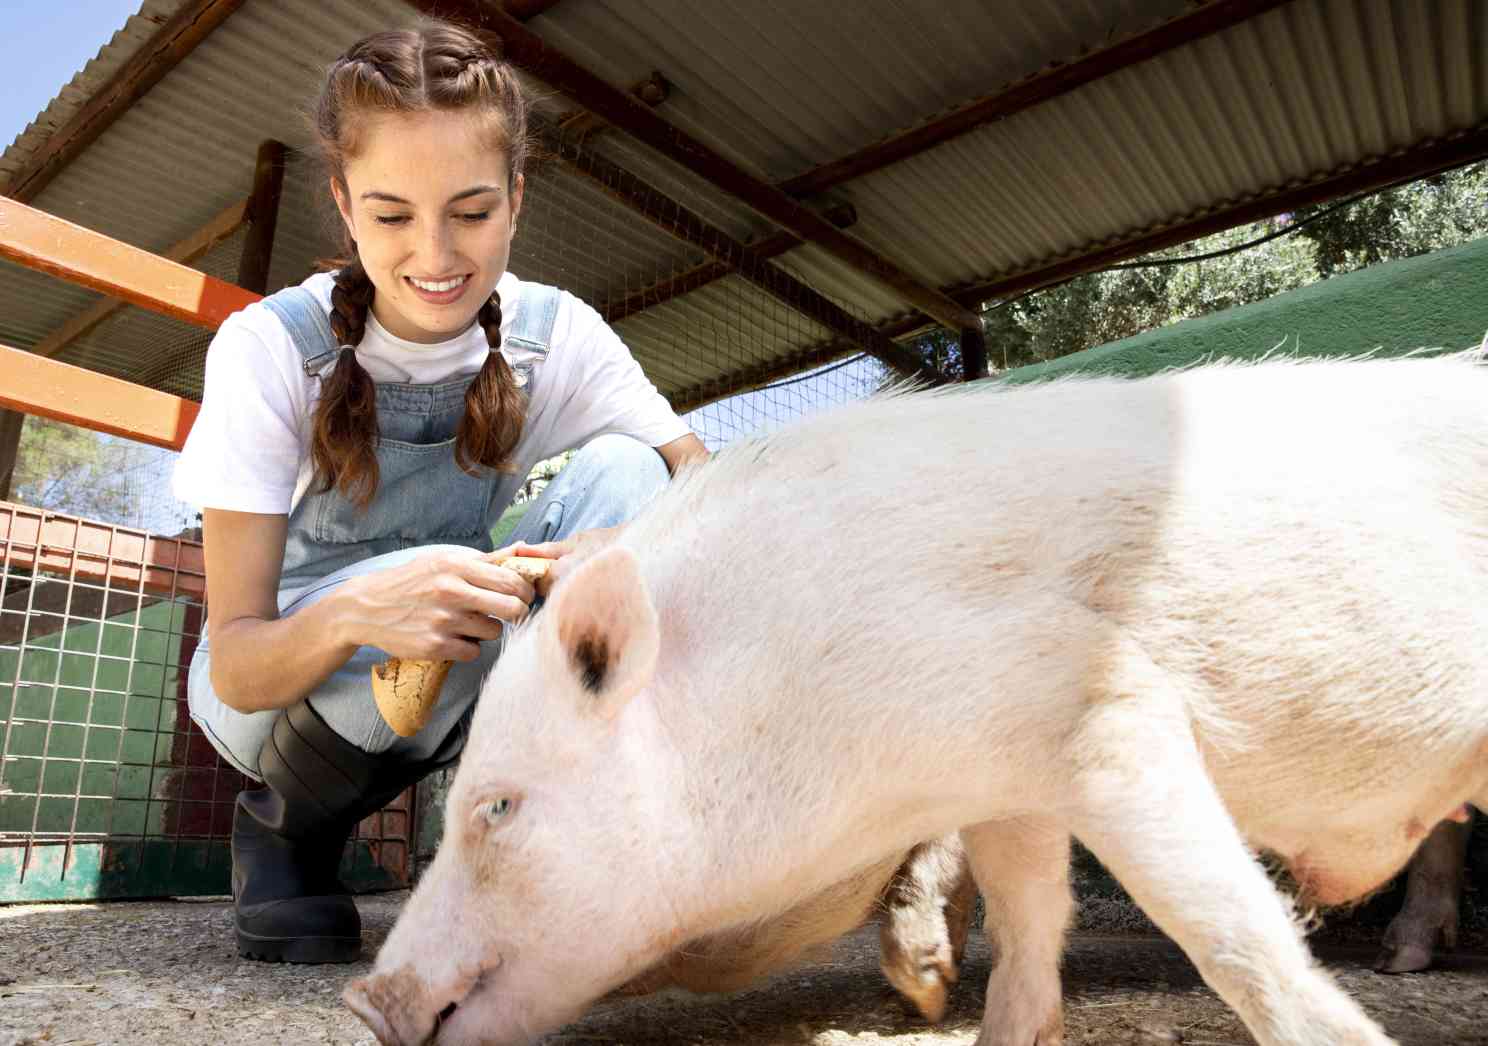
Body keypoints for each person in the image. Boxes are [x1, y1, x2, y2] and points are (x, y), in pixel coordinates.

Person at [171, 20, 708, 964]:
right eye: (389, 216)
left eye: (471, 211)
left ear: (517, 199)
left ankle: (562, 845)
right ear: (342, 204)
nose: (436, 255)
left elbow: (708, 488)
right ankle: (287, 833)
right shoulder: (270, 348)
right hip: (277, 691)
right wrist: (357, 611)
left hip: (451, 655)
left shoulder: (557, 333)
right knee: (447, 578)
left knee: (634, 481)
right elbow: (238, 667)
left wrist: (622, 552)